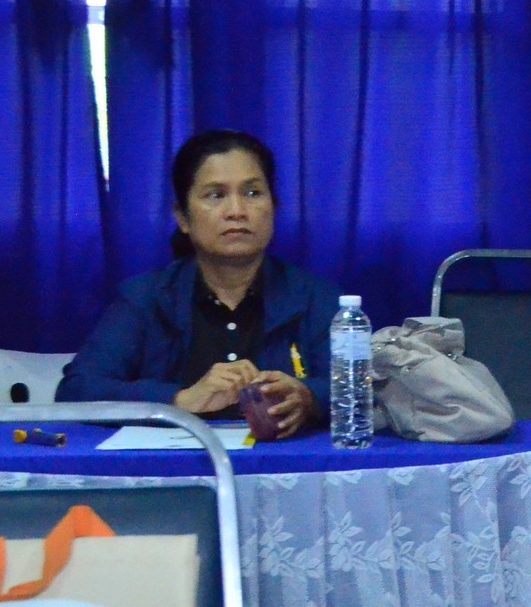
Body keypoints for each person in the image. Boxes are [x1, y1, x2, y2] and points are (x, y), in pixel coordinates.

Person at [58, 130, 335, 436]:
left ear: (274, 207)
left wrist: (310, 397)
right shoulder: (145, 299)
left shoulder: (315, 298)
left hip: (283, 461)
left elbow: (360, 388)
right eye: (216, 195)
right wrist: (179, 400)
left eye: (253, 193)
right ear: (183, 217)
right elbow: (77, 390)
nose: (237, 211)